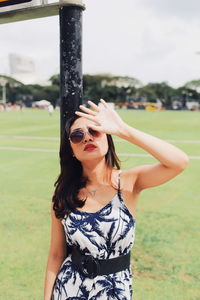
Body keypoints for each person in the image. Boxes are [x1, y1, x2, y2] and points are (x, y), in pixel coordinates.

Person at [44, 99, 189, 300]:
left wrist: (122, 129)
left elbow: (179, 162)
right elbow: (56, 255)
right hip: (69, 289)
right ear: (72, 151)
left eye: (94, 130)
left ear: (107, 138)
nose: (86, 138)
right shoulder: (63, 193)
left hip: (115, 291)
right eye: (77, 135)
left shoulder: (129, 182)